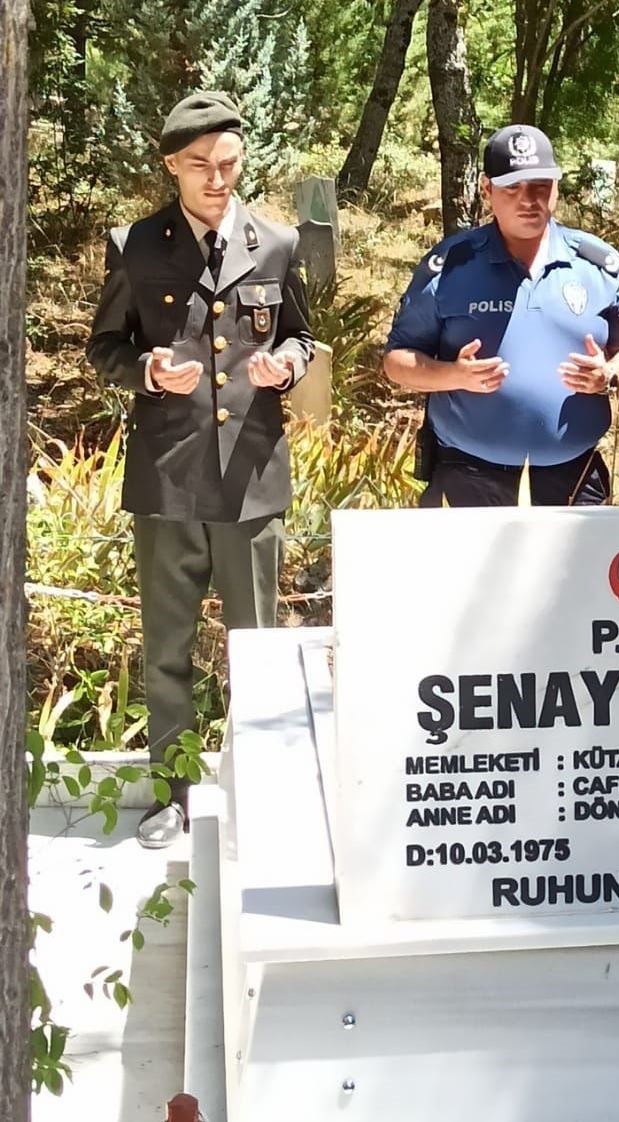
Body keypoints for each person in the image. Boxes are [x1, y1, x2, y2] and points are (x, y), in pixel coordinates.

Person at [86, 91, 315, 848]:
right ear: (170, 167)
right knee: (167, 651)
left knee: (259, 651)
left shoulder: (277, 243)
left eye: (230, 163)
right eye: (202, 167)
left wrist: (287, 361)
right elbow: (105, 350)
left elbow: (299, 338)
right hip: (168, 479)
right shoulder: (137, 245)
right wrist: (147, 369)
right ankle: (173, 796)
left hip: (250, 480)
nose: (219, 179)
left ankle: (264, 797)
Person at [384, 124, 619, 506]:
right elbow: (396, 361)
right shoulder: (450, 267)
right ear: (486, 189)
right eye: (513, 187)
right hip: (468, 479)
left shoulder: (596, 265)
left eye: (541, 185)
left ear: (556, 188)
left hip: (574, 482)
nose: (529, 199)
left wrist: (609, 375)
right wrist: (453, 375)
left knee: (573, 571)